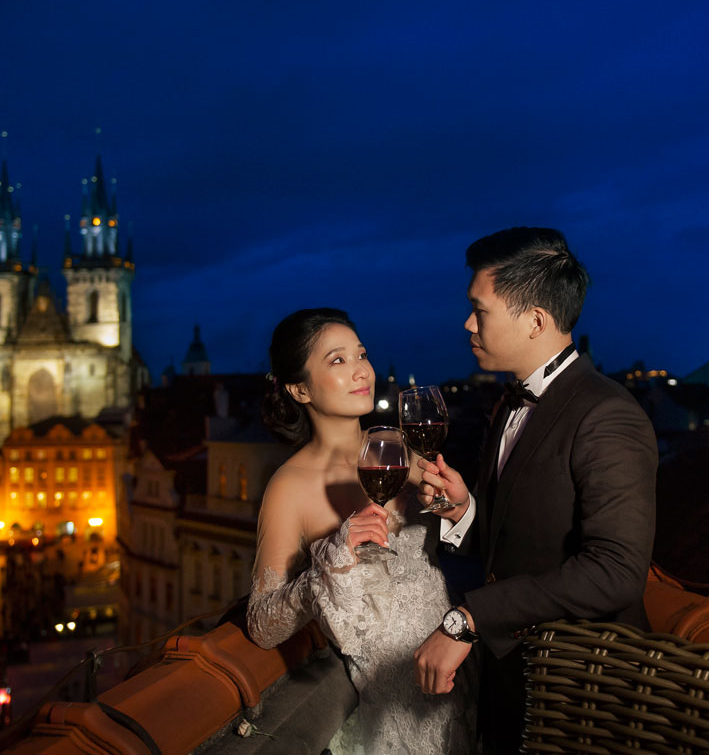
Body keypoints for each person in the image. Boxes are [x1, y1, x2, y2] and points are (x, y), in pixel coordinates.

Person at [413, 227, 658, 754]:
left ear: (536, 320)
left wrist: (469, 617)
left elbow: (616, 572)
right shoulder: (506, 403)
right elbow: (520, 541)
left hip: (586, 686)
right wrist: (464, 510)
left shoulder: (608, 413)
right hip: (515, 676)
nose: (467, 323)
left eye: (480, 310)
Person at [247, 308, 473, 754]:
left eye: (362, 354)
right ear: (299, 389)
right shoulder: (288, 488)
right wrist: (332, 562)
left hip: (456, 672)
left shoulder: (396, 449)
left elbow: (454, 543)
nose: (361, 371)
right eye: (338, 360)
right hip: (386, 706)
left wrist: (459, 505)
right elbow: (260, 623)